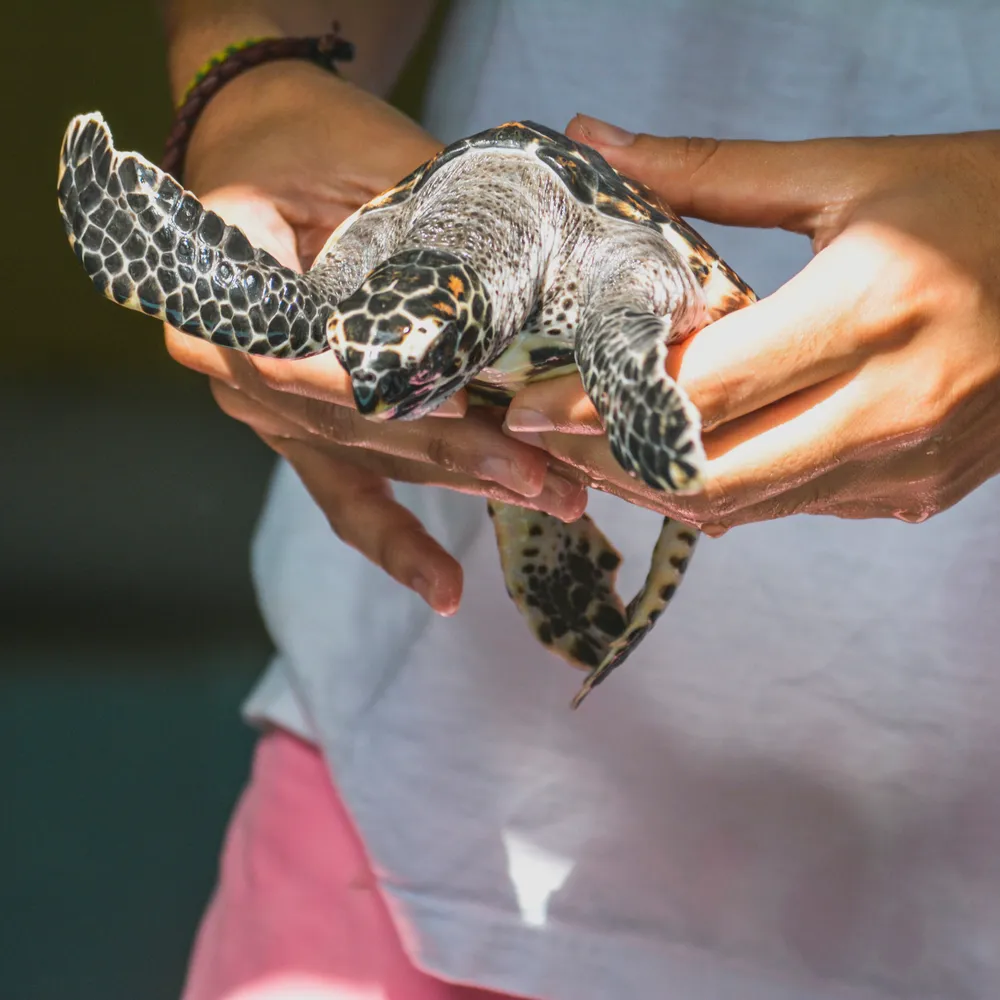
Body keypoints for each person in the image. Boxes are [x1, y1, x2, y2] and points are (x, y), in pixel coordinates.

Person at [162, 2, 1000, 998]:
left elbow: (630, 294)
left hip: (948, 848)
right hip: (403, 797)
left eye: (414, 365)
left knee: (615, 342)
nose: (386, 389)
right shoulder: (393, 245)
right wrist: (250, 77)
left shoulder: (612, 276)